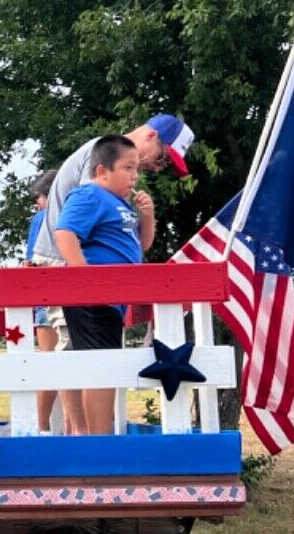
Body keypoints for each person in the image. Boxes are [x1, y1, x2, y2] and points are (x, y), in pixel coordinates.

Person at [30, 113, 191, 431]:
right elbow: (75, 228)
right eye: (163, 157)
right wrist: (85, 278)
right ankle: (84, 437)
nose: (159, 167)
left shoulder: (119, 186)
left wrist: (146, 218)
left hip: (101, 287)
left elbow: (131, 241)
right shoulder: (101, 162)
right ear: (150, 136)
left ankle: (92, 434)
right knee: (77, 355)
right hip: (69, 269)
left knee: (98, 360)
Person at [51, 135, 155, 435]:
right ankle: (99, 442)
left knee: (106, 369)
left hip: (112, 302)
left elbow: (141, 246)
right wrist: (86, 279)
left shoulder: (119, 203)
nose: (135, 176)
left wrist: (147, 217)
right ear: (102, 171)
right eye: (127, 168)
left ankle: (101, 437)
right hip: (93, 300)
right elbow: (65, 233)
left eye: (137, 169)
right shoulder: (90, 195)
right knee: (100, 370)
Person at [24, 168, 59, 431]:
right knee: (74, 363)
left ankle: (42, 426)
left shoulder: (41, 219)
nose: (38, 202)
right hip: (72, 297)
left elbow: (31, 261)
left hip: (46, 298)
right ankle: (73, 427)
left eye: (40, 196)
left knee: (49, 362)